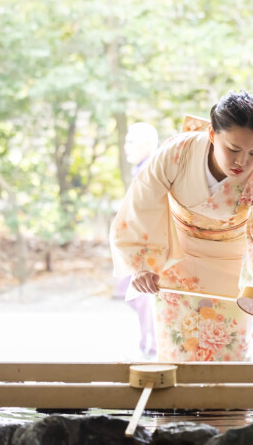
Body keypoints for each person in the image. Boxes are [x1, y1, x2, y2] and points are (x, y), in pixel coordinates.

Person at [110, 91, 253, 362]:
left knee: (231, 356)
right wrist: (141, 264)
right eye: (233, 149)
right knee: (177, 353)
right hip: (177, 258)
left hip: (233, 266)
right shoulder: (177, 153)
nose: (242, 161)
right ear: (212, 134)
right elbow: (141, 203)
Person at [113, 121, 160, 357]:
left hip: (146, 247)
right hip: (137, 244)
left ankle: (151, 345)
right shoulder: (142, 168)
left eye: (131, 142)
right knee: (138, 296)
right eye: (125, 142)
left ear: (146, 144)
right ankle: (148, 342)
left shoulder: (151, 170)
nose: (126, 148)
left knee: (145, 297)